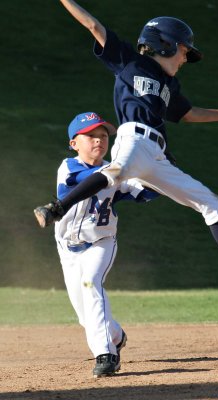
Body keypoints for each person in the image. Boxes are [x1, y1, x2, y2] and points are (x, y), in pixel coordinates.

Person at [34, 0, 218, 295]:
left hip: (156, 155)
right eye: (184, 51)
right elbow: (93, 26)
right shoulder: (130, 61)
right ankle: (56, 208)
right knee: (113, 173)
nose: (185, 58)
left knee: (212, 203)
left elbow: (188, 113)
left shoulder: (170, 86)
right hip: (133, 138)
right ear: (165, 44)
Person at [53, 111, 159, 377]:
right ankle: (116, 335)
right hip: (68, 247)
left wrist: (156, 170)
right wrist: (127, 168)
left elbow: (145, 193)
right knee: (84, 317)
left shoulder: (117, 172)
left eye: (102, 136)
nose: (99, 140)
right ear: (74, 143)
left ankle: (106, 355)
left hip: (101, 243)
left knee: (91, 283)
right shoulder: (68, 167)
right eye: (90, 136)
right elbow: (91, 180)